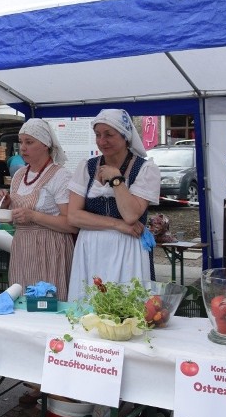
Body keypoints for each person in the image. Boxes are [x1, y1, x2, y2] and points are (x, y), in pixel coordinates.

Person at [67, 109, 160, 301]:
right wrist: (116, 224)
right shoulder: (86, 167)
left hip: (128, 250)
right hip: (90, 249)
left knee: (128, 309)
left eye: (109, 134)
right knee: (89, 308)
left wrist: (117, 179)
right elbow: (73, 216)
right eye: (98, 135)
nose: (102, 141)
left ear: (125, 136)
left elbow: (131, 215)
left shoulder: (145, 169)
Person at [0, 119, 76, 299]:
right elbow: (15, 219)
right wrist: (6, 205)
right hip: (22, 249)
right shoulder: (18, 175)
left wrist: (33, 215)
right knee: (23, 301)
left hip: (50, 249)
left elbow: (71, 224)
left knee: (47, 303)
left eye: (29, 142)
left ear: (46, 144)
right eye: (21, 142)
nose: (22, 148)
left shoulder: (60, 176)